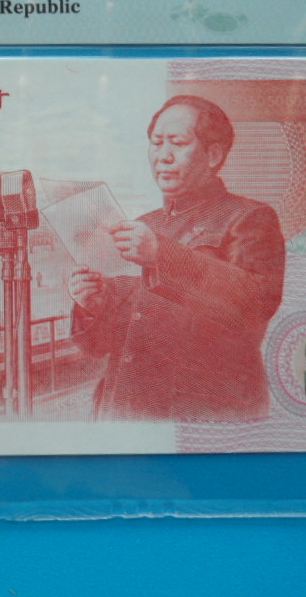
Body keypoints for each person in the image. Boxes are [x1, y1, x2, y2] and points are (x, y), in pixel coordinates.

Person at [68, 95, 285, 421]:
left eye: (178, 143)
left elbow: (254, 304)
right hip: (124, 410)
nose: (163, 156)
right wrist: (93, 304)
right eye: (156, 143)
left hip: (200, 414)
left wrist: (161, 254)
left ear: (213, 155)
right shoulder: (147, 224)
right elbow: (102, 345)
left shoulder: (249, 218)